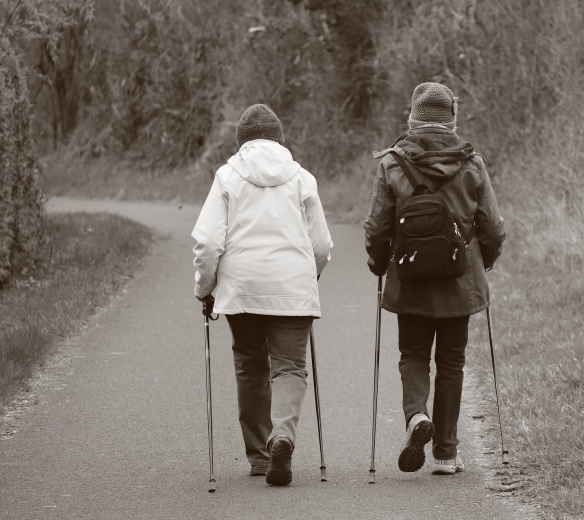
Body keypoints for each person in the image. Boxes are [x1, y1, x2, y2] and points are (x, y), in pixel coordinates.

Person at [363, 82, 507, 475]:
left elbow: (376, 228)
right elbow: (493, 228)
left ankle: (414, 417)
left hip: (410, 279)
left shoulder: (392, 163)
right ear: (452, 120)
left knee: (412, 354)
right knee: (451, 363)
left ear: (413, 117)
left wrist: (379, 265)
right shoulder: (472, 163)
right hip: (459, 282)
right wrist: (485, 262)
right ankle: (445, 453)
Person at [192, 104, 333, 486]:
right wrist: (310, 277)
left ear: (242, 142)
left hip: (242, 288)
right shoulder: (302, 178)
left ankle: (259, 456)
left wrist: (204, 289)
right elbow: (320, 245)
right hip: (292, 287)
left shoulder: (226, 177)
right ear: (279, 140)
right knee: (289, 366)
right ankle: (282, 435)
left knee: (251, 364)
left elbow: (207, 242)